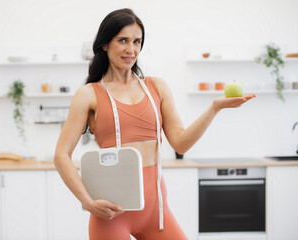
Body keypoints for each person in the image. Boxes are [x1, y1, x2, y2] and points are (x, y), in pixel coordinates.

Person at [54, 8, 256, 240]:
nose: (131, 49)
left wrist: (214, 108)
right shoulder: (88, 94)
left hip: (157, 212)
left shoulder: (156, 87)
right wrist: (87, 202)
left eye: (137, 41)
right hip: (111, 214)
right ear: (104, 45)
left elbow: (180, 143)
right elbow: (61, 155)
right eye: (123, 41)